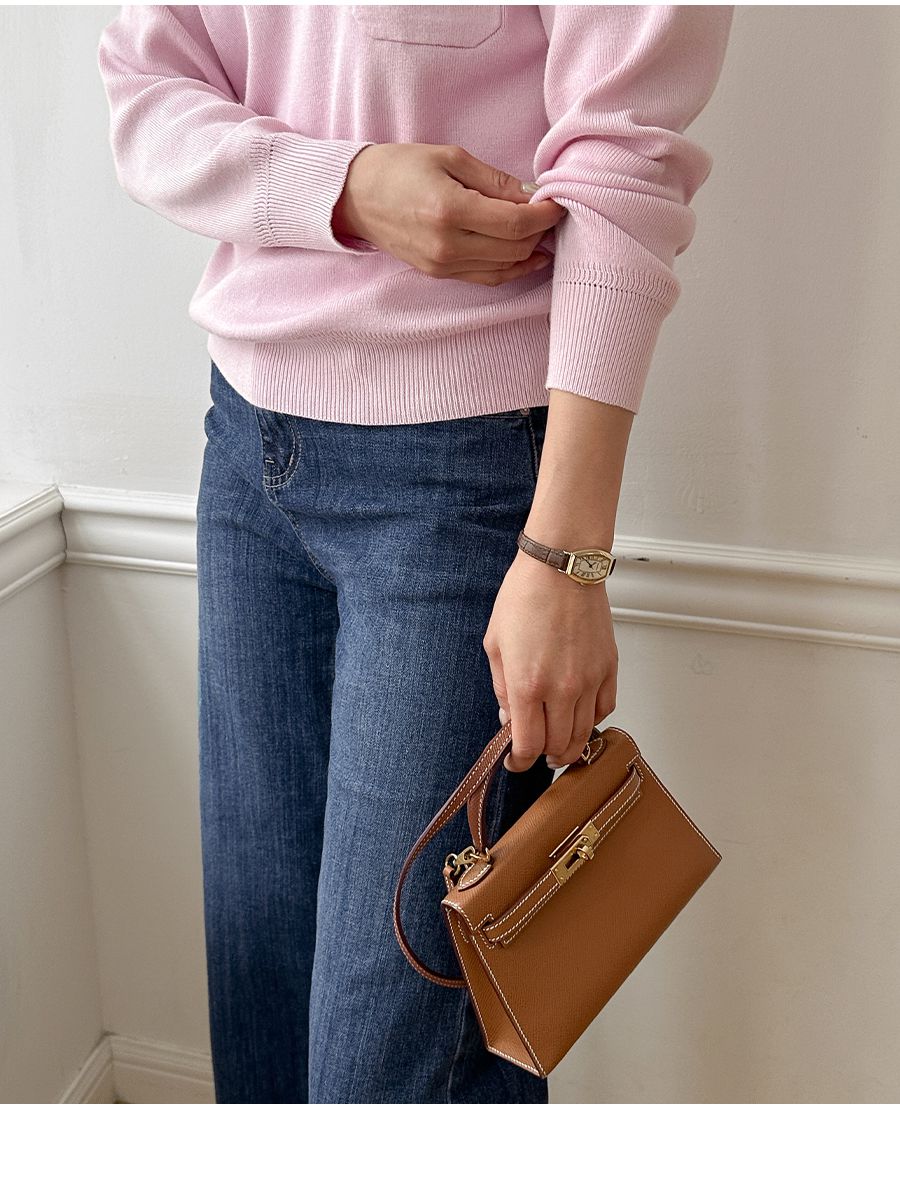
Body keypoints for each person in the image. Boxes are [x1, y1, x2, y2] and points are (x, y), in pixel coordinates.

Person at [97, 3, 734, 1104]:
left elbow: (621, 162)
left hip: (462, 473)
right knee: (266, 1013)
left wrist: (565, 555)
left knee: (391, 1065)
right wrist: (343, 186)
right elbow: (147, 89)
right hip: (243, 441)